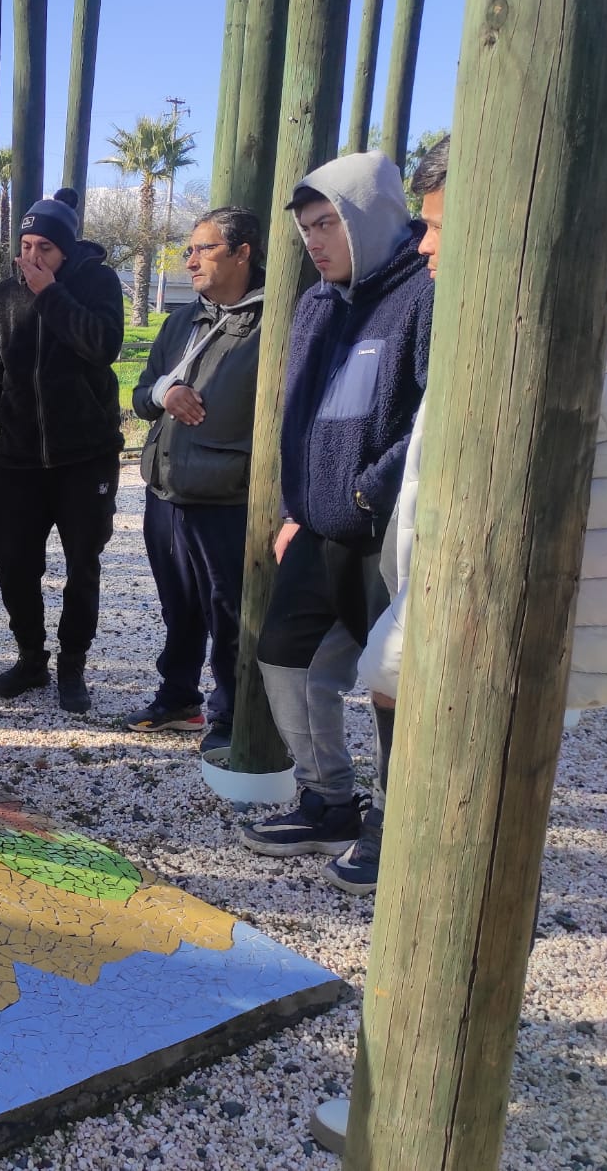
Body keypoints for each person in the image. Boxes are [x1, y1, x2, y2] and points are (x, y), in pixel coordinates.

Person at [329, 139, 607, 895]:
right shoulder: (489, 312)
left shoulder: (570, 323)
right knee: (408, 696)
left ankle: (450, 877)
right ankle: (406, 831)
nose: (424, 243)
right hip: (459, 575)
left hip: (520, 594)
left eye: (438, 226)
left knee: (488, 757)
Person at [238, 151, 431, 864]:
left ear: (370, 217)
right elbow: (301, 418)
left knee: (394, 678)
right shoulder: (317, 301)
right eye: (306, 230)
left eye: (328, 224)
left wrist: (364, 492)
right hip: (318, 527)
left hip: (390, 532)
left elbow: (428, 419)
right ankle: (328, 800)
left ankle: (394, 824)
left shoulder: (424, 292)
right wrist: (300, 505)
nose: (315, 242)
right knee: (283, 656)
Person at [0, 188, 127, 714]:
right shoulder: (0, 299)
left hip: (85, 457)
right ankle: (31, 657)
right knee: (15, 563)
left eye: (45, 247)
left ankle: (72, 665)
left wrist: (50, 295)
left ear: (65, 251)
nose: (33, 257)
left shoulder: (98, 284)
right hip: (17, 462)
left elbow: (103, 345)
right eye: (26, 245)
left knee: (82, 564)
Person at [128, 207, 267, 753]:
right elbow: (142, 397)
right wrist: (164, 392)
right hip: (165, 491)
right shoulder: (180, 321)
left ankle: (230, 715)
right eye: (189, 249)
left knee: (227, 609)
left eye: (204, 249)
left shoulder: (273, 325)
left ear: (242, 253)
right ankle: (178, 695)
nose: (190, 261)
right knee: (177, 603)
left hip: (226, 497)